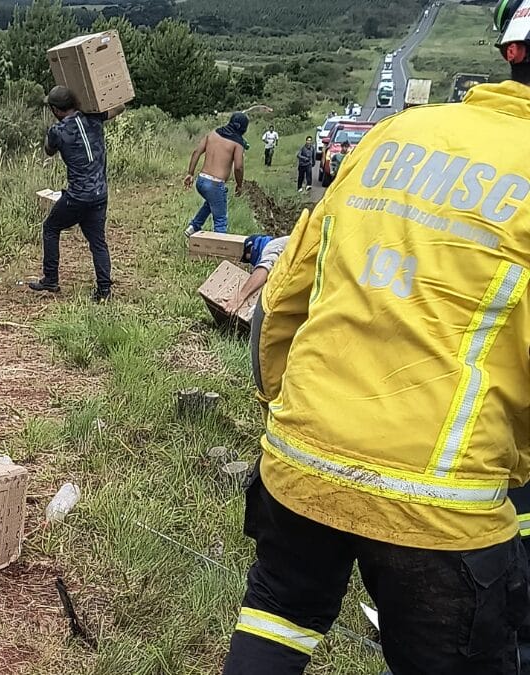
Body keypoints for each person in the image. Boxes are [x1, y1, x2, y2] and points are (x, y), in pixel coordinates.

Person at [225, 3, 530, 673]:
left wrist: (285, 405)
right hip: (442, 502)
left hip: (304, 457)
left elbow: (284, 295)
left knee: (278, 611)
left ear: (509, 50)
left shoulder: (394, 136)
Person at [29, 86, 123, 303]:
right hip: (100, 193)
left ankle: (50, 279)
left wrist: (51, 132)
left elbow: (49, 150)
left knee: (51, 228)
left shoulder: (58, 131)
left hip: (78, 196)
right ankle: (104, 291)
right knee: (98, 242)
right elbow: (120, 106)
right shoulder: (94, 117)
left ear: (55, 109)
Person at [183, 112, 248, 237]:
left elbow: (196, 152)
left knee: (210, 203)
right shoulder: (237, 143)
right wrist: (239, 185)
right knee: (220, 220)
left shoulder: (212, 134)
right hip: (215, 184)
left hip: (201, 181)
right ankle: (219, 248)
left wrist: (190, 174)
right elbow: (239, 167)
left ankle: (193, 226)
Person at [224, 235, 289, 315]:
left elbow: (265, 267)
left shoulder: (271, 246)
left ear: (252, 248)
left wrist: (240, 296)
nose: (251, 261)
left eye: (248, 258)